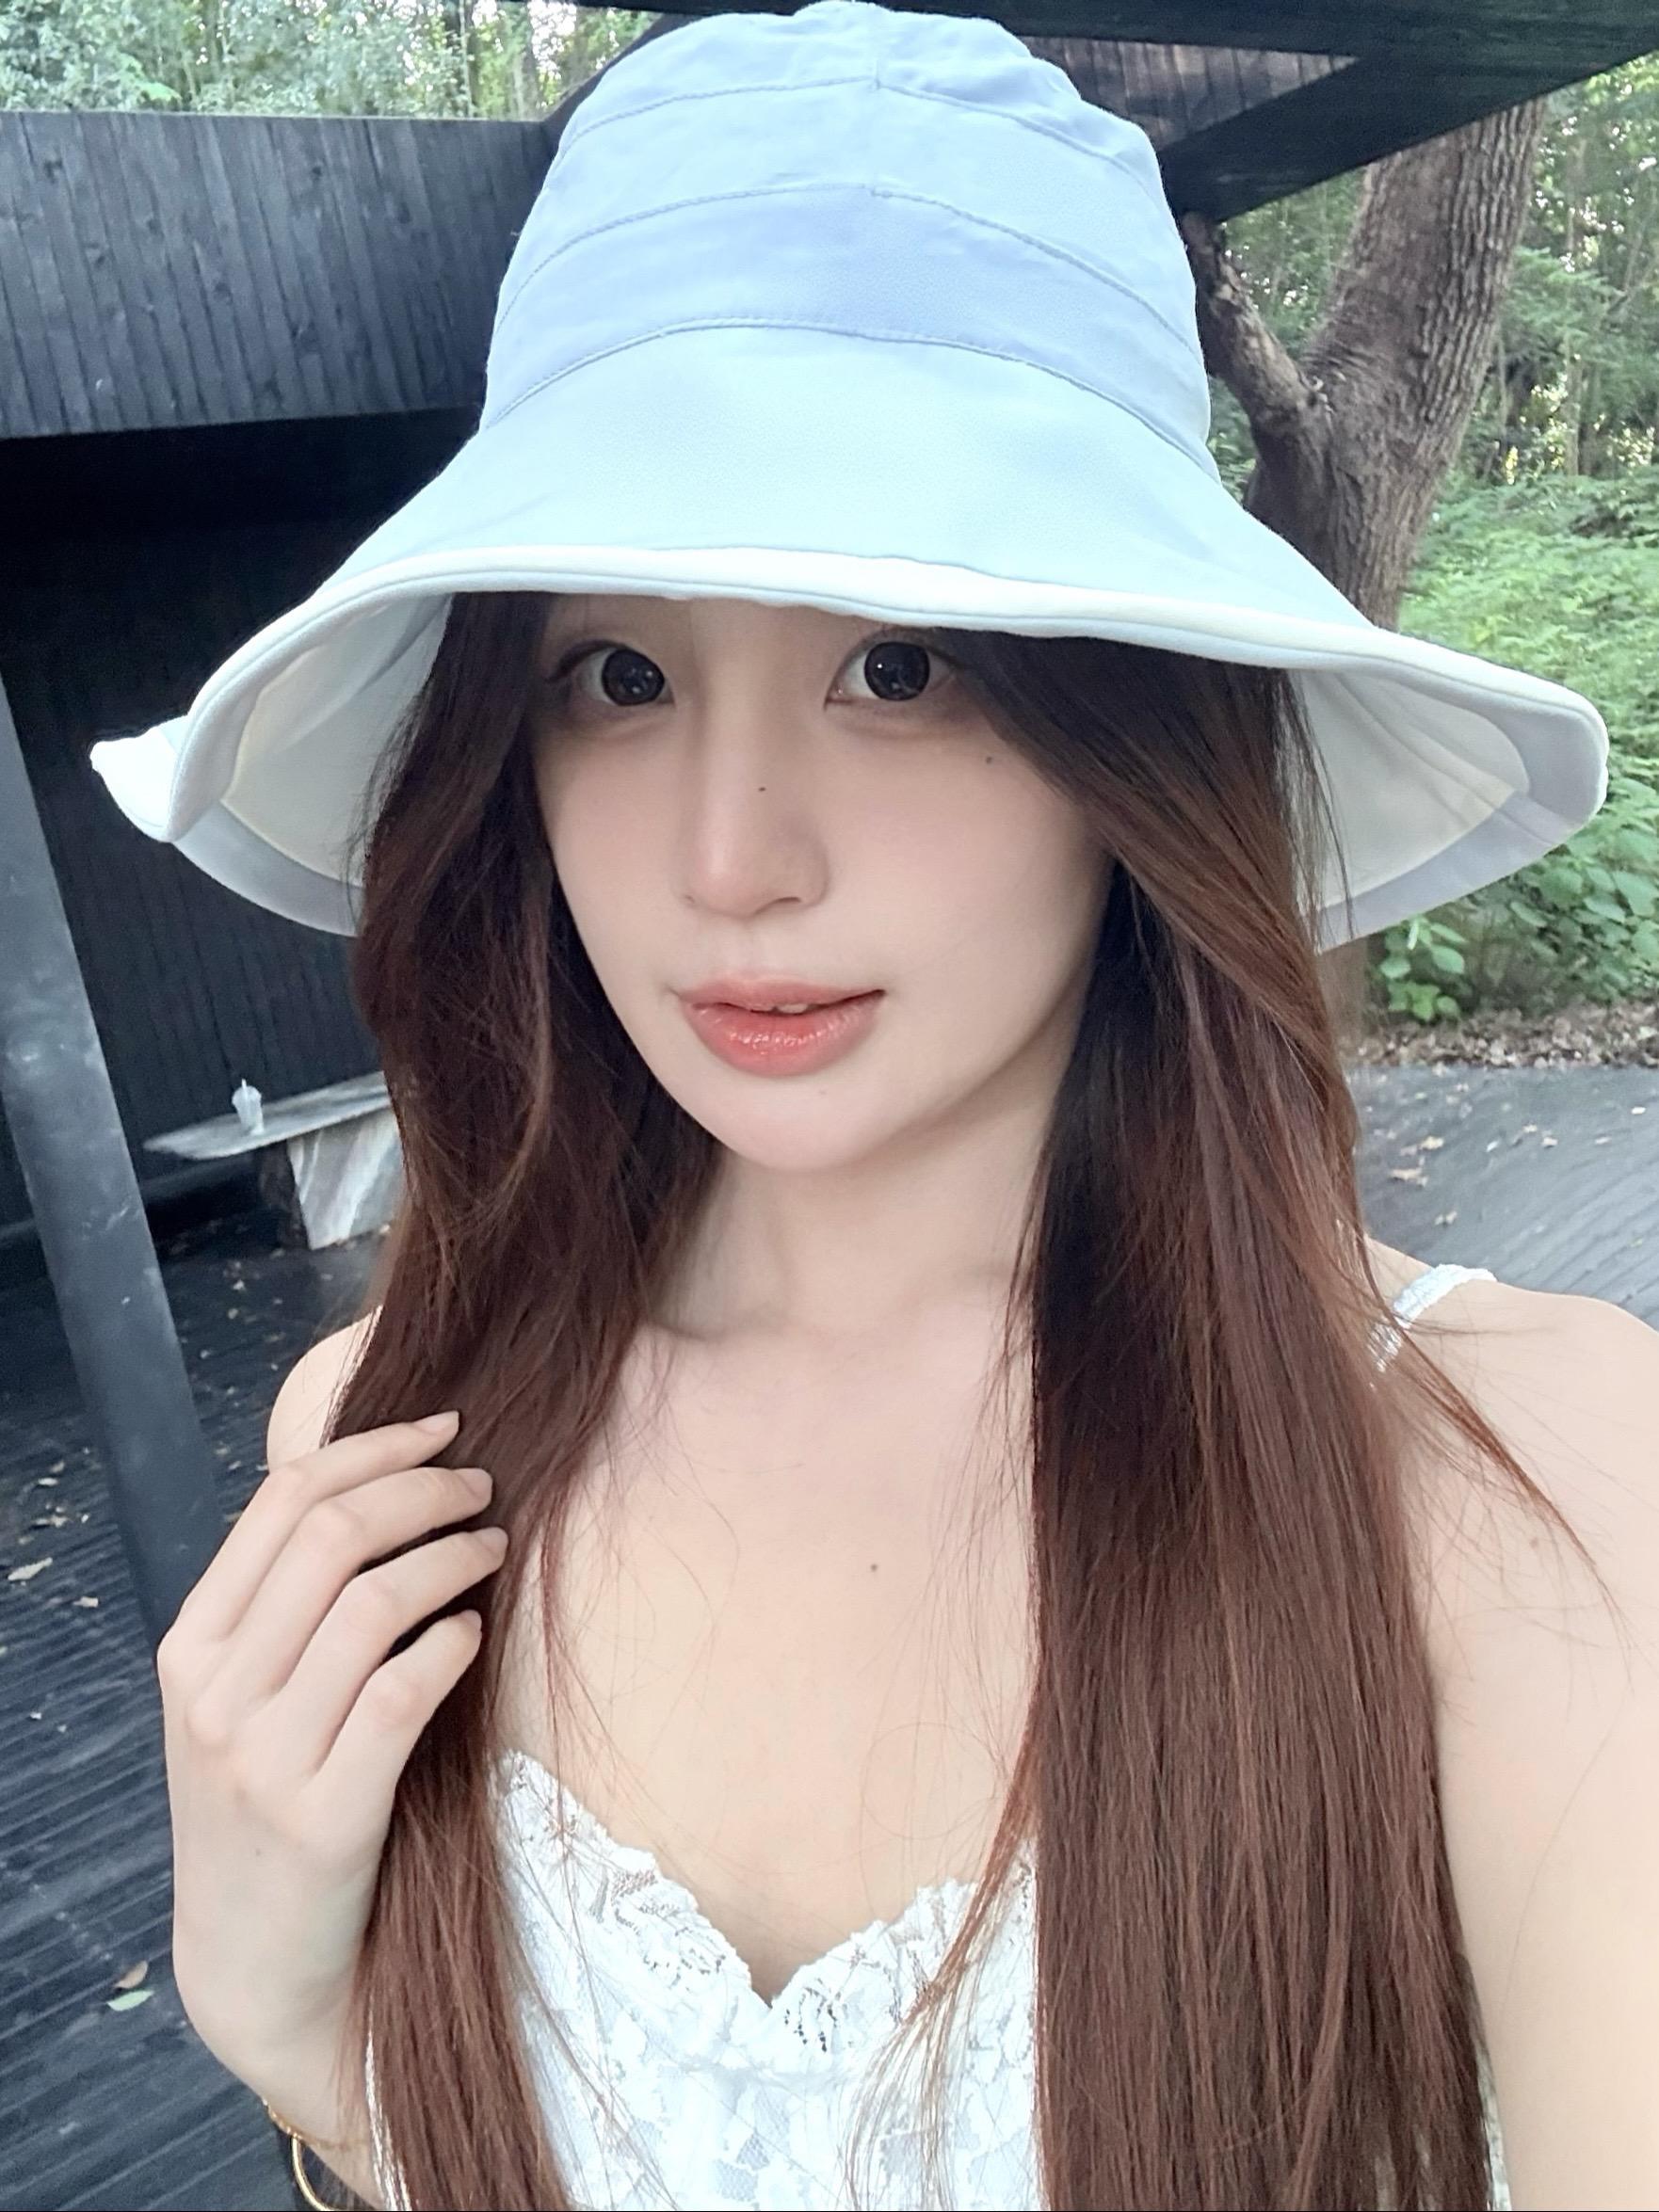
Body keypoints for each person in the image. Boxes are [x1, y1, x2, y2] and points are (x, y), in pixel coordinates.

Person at [90, 7, 1657, 2208]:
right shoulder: (395, 1446)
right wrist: (306, 2054)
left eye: (895, 666)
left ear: (1139, 734)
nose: (729, 857)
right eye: (617, 676)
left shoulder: (1530, 1496)